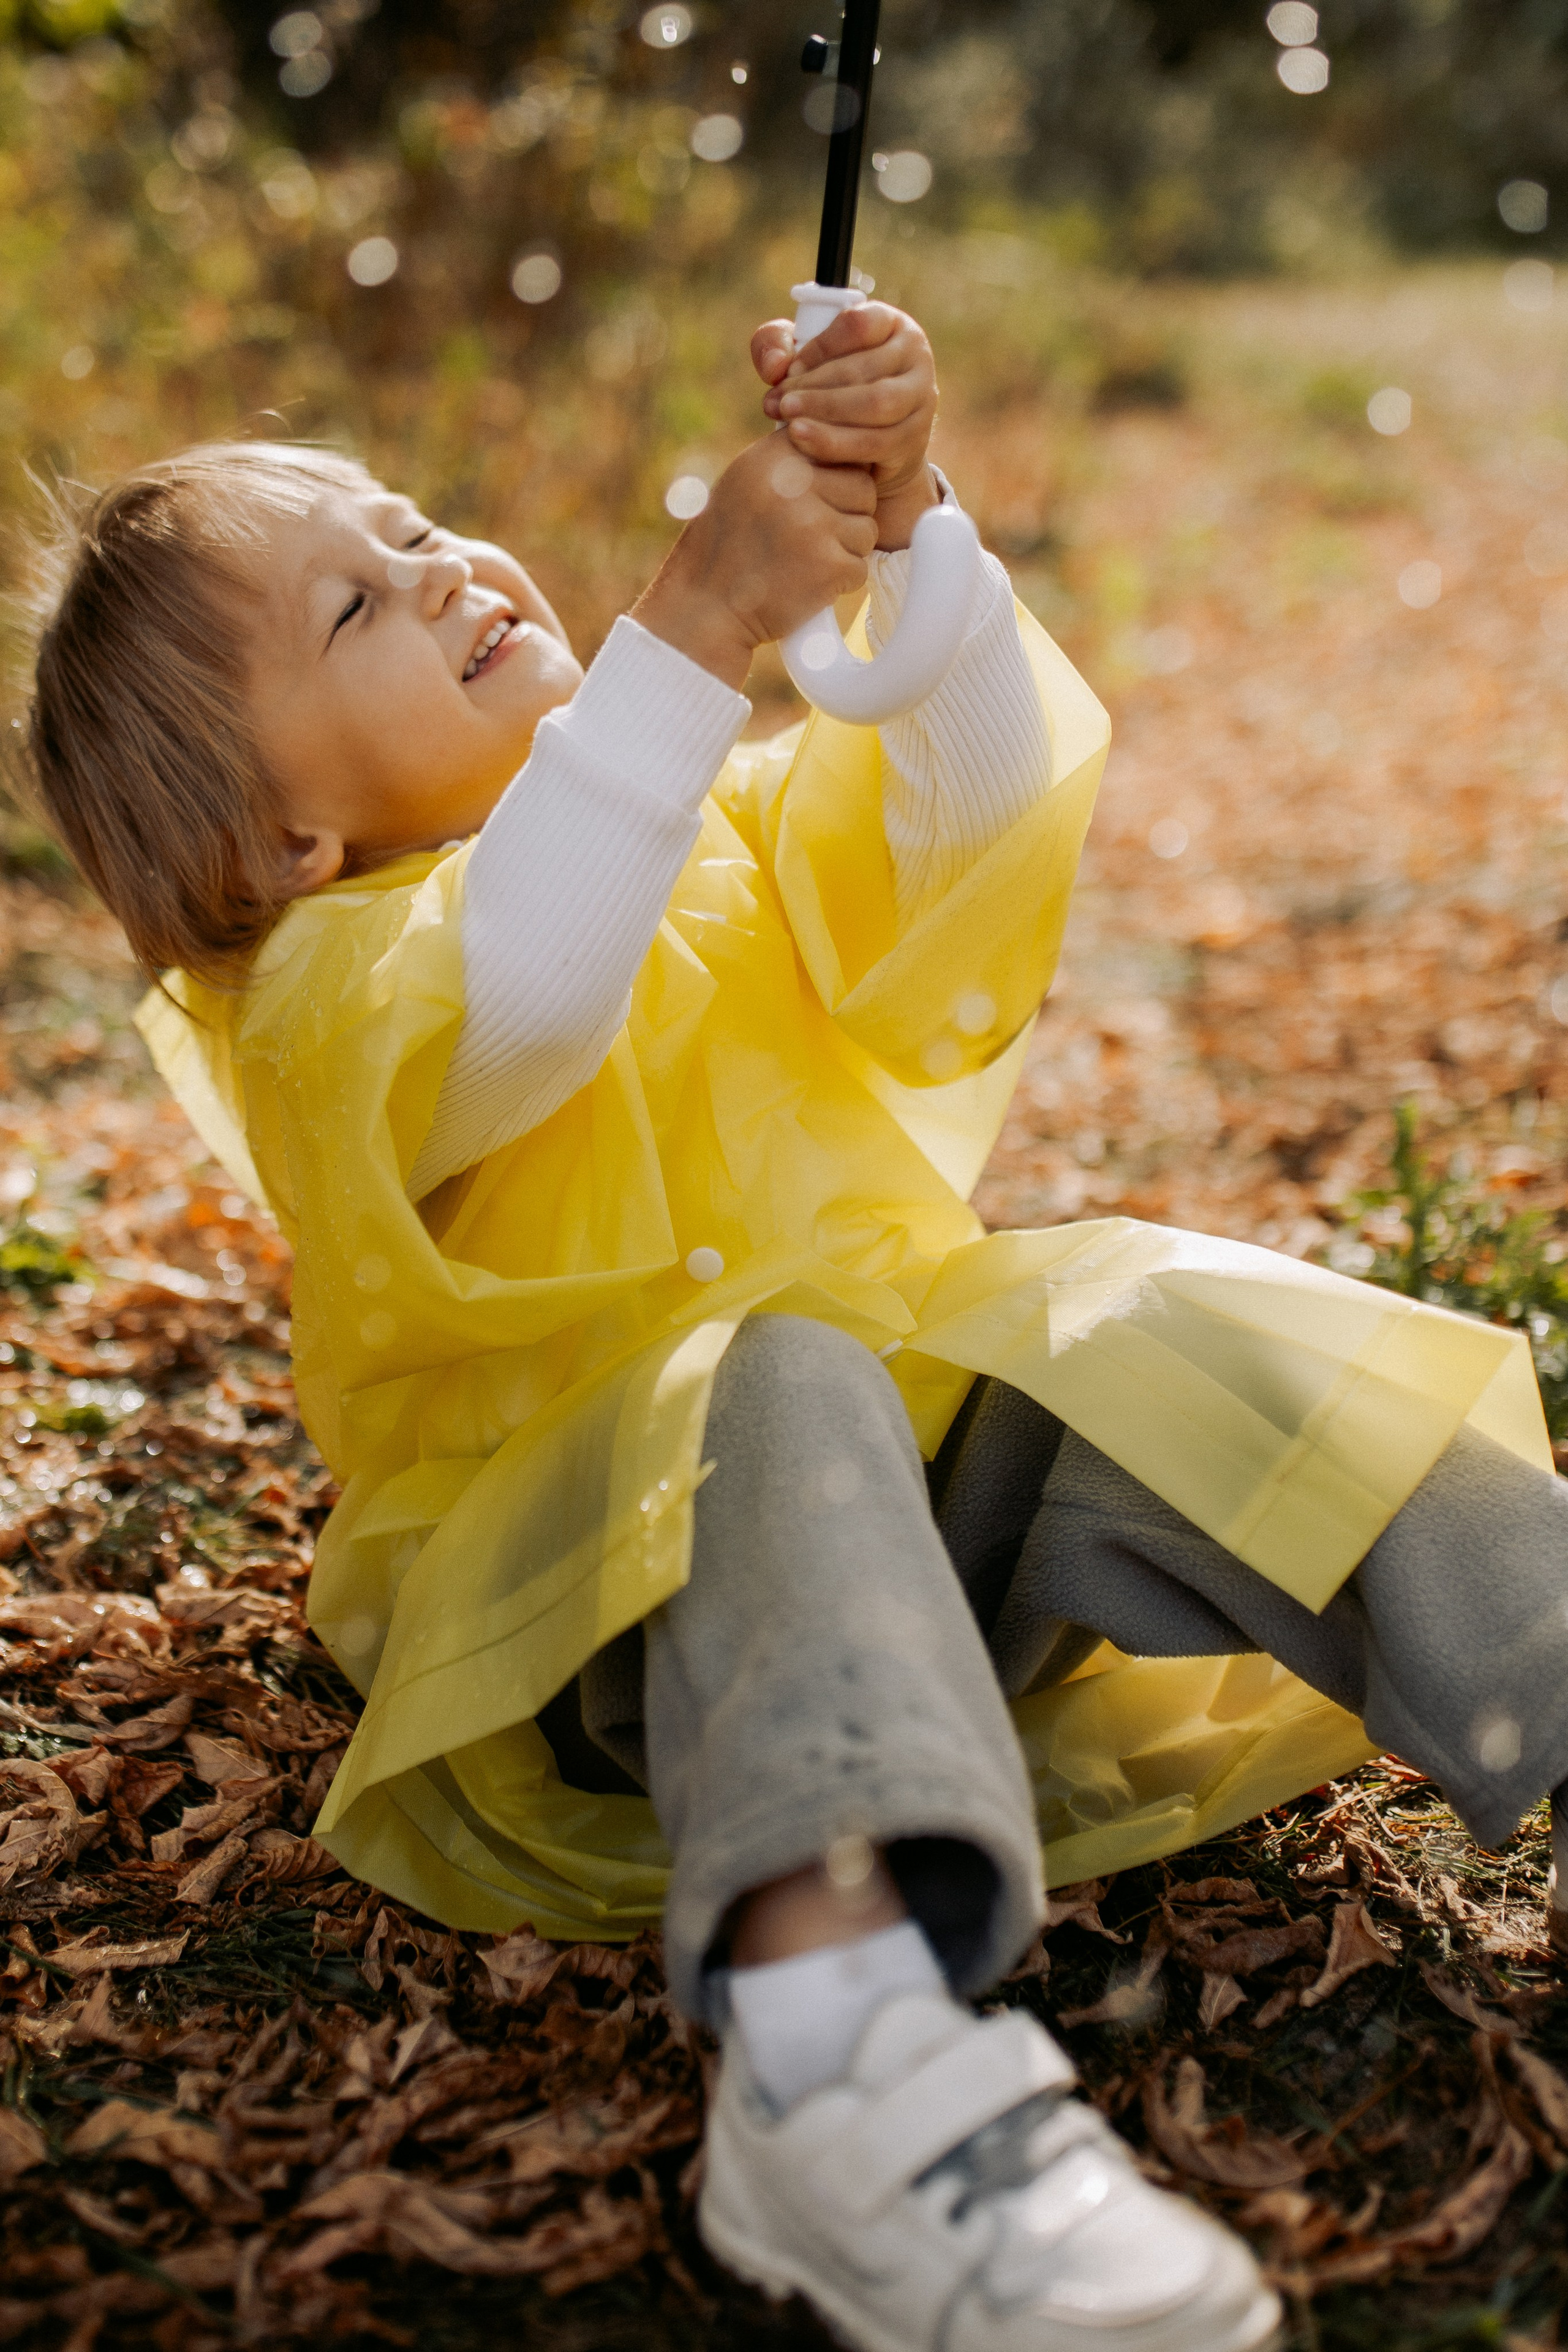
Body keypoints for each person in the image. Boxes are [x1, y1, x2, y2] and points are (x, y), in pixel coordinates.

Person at [22, 295, 1568, 2352]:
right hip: (611, 1620)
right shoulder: (328, 995)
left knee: (1151, 1314)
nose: (443, 570)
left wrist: (907, 529)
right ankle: (837, 2056)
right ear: (285, 835)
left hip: (904, 1539)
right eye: (352, 613)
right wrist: (691, 616)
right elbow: (531, 985)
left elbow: (965, 819)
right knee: (769, 1372)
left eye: (415, 527)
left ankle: (1532, 1649)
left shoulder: (709, 825)